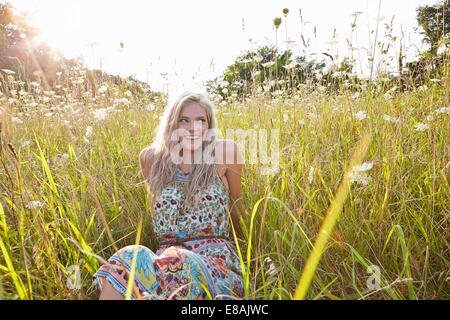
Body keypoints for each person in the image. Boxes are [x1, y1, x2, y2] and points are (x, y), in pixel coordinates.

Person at [92, 92, 246, 300]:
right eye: (185, 120)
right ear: (172, 124)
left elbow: (236, 208)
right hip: (164, 264)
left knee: (180, 262)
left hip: (216, 264)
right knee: (128, 255)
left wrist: (247, 256)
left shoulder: (224, 151)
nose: (194, 128)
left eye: (201, 120)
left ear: (209, 125)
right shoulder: (151, 159)